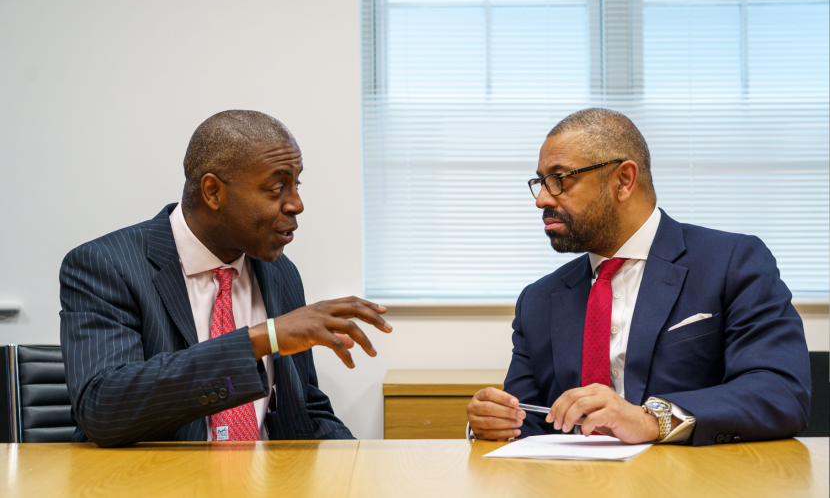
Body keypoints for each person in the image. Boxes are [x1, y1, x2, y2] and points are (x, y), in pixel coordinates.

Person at [466, 108, 811, 446]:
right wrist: (494, 423)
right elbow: (529, 423)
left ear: (624, 180)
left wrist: (651, 420)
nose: (542, 199)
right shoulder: (538, 300)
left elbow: (780, 392)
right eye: (540, 182)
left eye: (559, 180)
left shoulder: (731, 262)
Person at [59, 110, 392, 446]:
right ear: (213, 192)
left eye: (296, 184)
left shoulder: (281, 273)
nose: (296, 204)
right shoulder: (106, 265)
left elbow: (303, 408)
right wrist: (262, 339)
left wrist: (359, 466)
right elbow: (104, 409)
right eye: (277, 187)